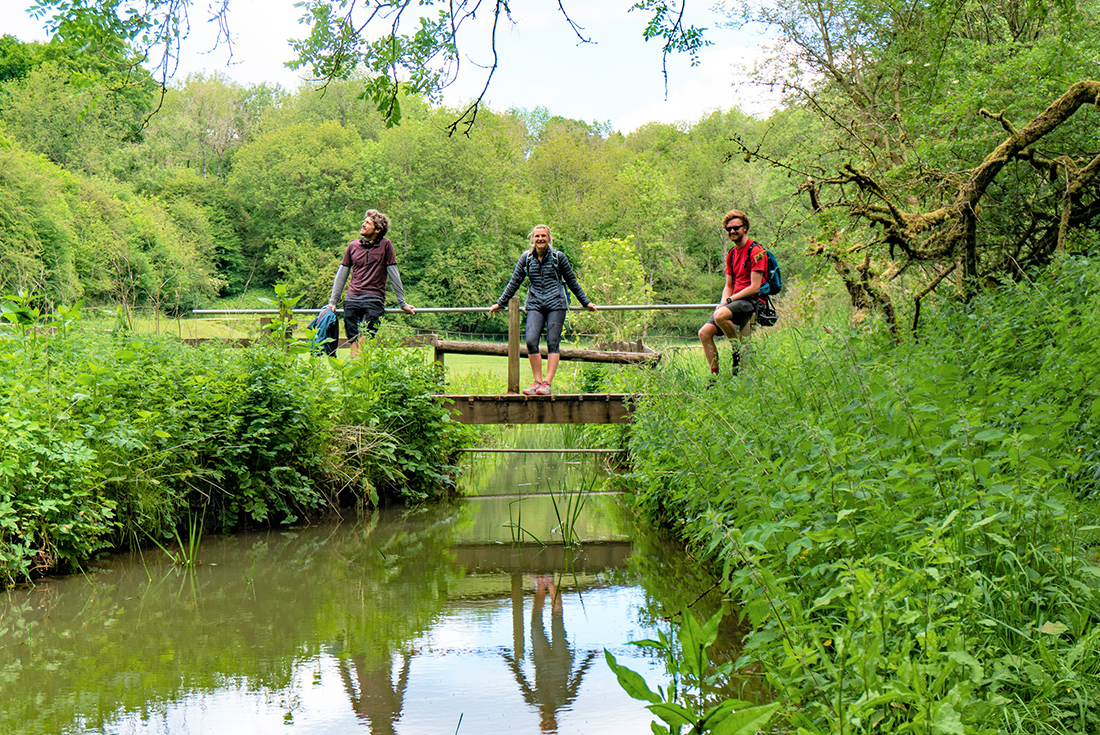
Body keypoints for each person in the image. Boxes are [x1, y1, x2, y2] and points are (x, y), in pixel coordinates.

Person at [488, 225, 597, 395]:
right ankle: (536, 382)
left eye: (543, 236)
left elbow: (572, 281)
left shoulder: (558, 257)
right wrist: (500, 303)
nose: (540, 239)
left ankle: (547, 384)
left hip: (556, 303)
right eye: (537, 236)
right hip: (535, 303)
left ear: (549, 238)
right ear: (533, 239)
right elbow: (514, 282)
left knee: (553, 342)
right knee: (531, 341)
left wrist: (586, 302)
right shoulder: (526, 258)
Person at [322, 209, 415, 358]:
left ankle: (360, 375)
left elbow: (394, 274)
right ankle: (355, 377)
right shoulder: (353, 246)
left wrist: (402, 303)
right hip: (352, 299)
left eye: (367, 223)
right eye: (364, 221)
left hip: (373, 299)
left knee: (364, 339)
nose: (363, 224)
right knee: (353, 341)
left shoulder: (386, 245)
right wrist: (333, 302)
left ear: (377, 229)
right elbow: (342, 274)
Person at [699, 209, 767, 376]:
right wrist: (724, 302)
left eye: (736, 227)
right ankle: (714, 376)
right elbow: (728, 285)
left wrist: (728, 302)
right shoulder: (731, 254)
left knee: (721, 315)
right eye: (728, 229)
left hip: (752, 300)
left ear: (745, 228)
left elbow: (754, 287)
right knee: (704, 333)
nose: (732, 231)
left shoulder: (757, 251)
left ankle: (737, 351)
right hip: (734, 301)